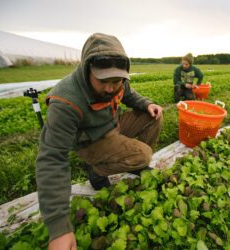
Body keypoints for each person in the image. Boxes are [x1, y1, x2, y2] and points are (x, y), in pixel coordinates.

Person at [36, 33, 163, 249]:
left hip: (113, 127)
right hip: (91, 142)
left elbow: (129, 95)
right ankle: (98, 171)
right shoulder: (65, 101)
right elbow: (52, 159)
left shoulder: (117, 83)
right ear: (88, 68)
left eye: (117, 81)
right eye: (104, 81)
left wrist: (147, 103)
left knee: (155, 115)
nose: (110, 88)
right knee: (142, 154)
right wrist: (59, 228)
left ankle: (133, 163)